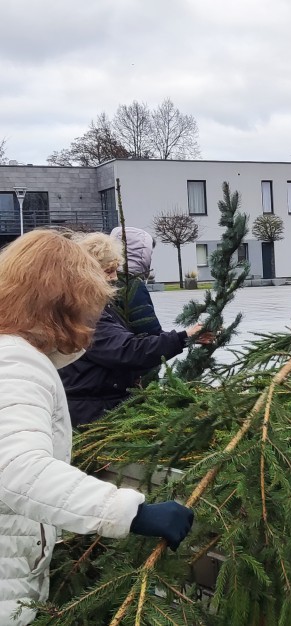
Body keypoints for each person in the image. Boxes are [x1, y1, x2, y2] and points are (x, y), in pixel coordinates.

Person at [0, 230, 194, 625]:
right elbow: (18, 468)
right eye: (88, 310)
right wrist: (129, 512)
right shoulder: (16, 366)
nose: (91, 326)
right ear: (60, 306)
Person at [59, 233, 209, 427]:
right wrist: (184, 337)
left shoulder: (90, 307)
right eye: (108, 271)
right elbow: (127, 350)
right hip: (94, 413)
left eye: (115, 270)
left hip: (96, 404)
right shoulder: (85, 314)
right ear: (87, 272)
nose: (114, 278)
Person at [110, 226, 162, 335]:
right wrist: (185, 337)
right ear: (142, 254)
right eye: (150, 254)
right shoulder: (132, 285)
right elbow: (150, 331)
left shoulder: (103, 282)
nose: (151, 259)